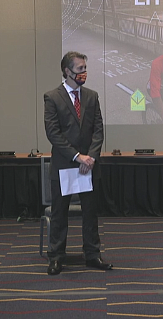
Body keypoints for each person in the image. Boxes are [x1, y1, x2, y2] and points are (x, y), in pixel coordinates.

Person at [43, 51, 113, 275]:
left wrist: (90, 157)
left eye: (85, 68)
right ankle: (56, 257)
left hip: (89, 166)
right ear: (67, 71)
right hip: (65, 165)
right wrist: (77, 156)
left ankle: (92, 255)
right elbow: (53, 133)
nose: (84, 72)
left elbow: (98, 130)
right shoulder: (52, 97)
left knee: (90, 213)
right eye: (80, 69)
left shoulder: (91, 96)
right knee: (59, 213)